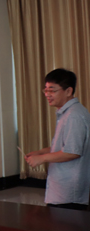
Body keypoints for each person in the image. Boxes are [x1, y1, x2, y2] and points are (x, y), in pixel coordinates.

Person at [25, 69, 90, 210]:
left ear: (68, 91)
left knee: (65, 223)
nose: (47, 94)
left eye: (52, 90)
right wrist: (40, 152)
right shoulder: (67, 113)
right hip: (61, 187)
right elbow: (64, 145)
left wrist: (42, 159)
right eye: (46, 90)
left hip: (69, 190)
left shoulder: (74, 115)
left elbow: (72, 152)